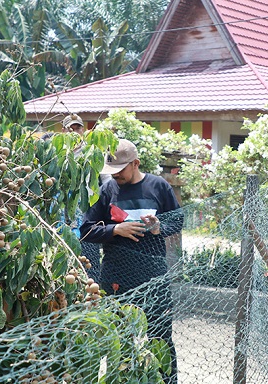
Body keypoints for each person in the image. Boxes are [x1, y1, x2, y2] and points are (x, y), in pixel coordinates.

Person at [80, 139, 183, 383]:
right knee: (119, 338)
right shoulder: (107, 190)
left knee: (160, 336)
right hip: (116, 276)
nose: (115, 176)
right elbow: (85, 229)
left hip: (154, 275)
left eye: (120, 171)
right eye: (111, 172)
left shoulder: (159, 186)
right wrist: (116, 230)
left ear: (135, 164)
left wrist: (159, 228)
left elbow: (177, 221)